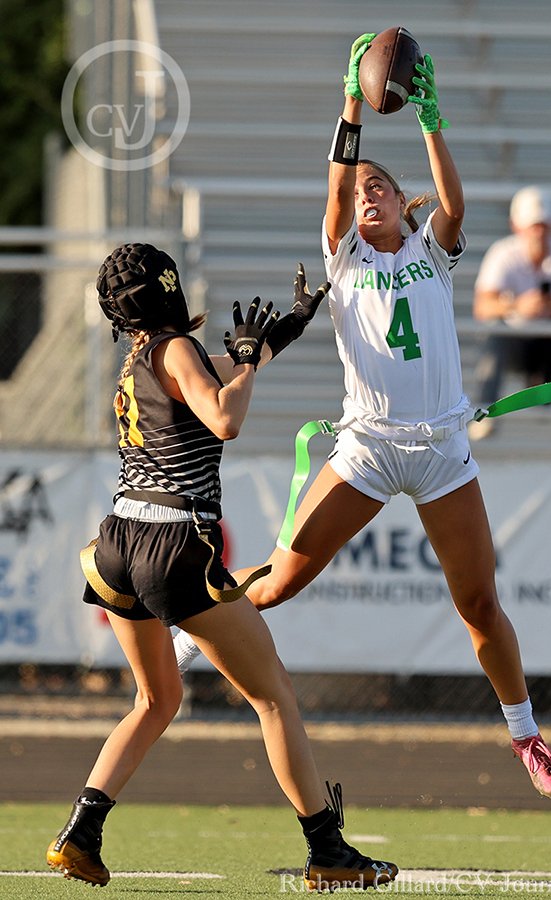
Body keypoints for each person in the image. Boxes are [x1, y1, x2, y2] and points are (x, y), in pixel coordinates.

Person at [174, 36, 551, 802]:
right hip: (369, 448)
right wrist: (351, 104)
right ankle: (190, 632)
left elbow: (454, 205)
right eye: (359, 191)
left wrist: (428, 116)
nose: (367, 195)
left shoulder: (431, 250)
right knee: (282, 581)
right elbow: (335, 187)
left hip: (443, 451)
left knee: (480, 604)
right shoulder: (345, 256)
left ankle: (525, 733)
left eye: (379, 187)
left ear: (397, 197)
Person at [45, 242, 398, 892]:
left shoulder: (138, 358)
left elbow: (221, 372)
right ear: (167, 288)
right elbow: (225, 415)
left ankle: (82, 832)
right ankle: (327, 850)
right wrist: (246, 367)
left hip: (120, 541)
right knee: (272, 696)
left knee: (157, 698)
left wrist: (278, 336)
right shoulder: (174, 347)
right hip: (174, 545)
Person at [471, 185, 551, 436]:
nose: (538, 234)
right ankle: (486, 412)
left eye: (543, 226)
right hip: (519, 344)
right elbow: (482, 307)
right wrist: (519, 306)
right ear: (516, 226)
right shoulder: (504, 254)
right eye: (533, 226)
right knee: (494, 334)